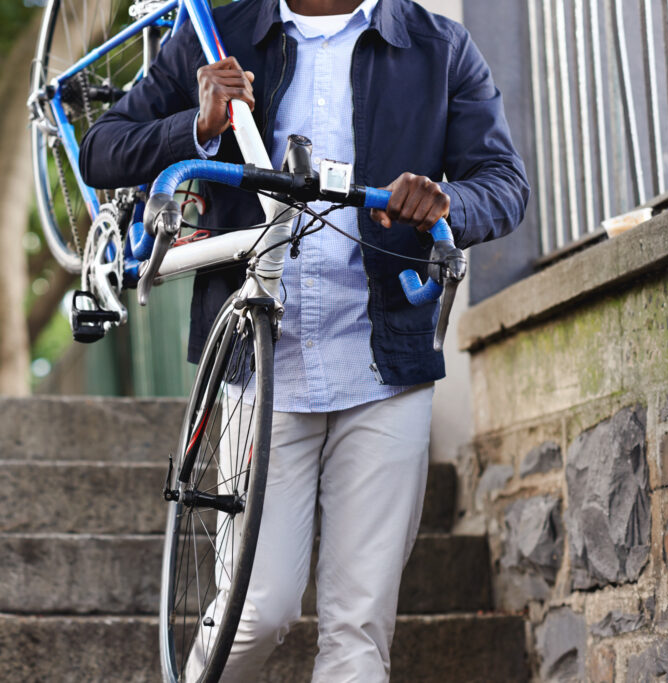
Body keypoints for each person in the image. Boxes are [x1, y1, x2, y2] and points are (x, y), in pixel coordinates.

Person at [80, 0, 529, 680]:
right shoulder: (217, 33)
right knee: (258, 608)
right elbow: (102, 150)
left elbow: (504, 184)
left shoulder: (440, 47)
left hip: (385, 365)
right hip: (263, 365)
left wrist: (445, 200)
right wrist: (196, 125)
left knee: (359, 631)